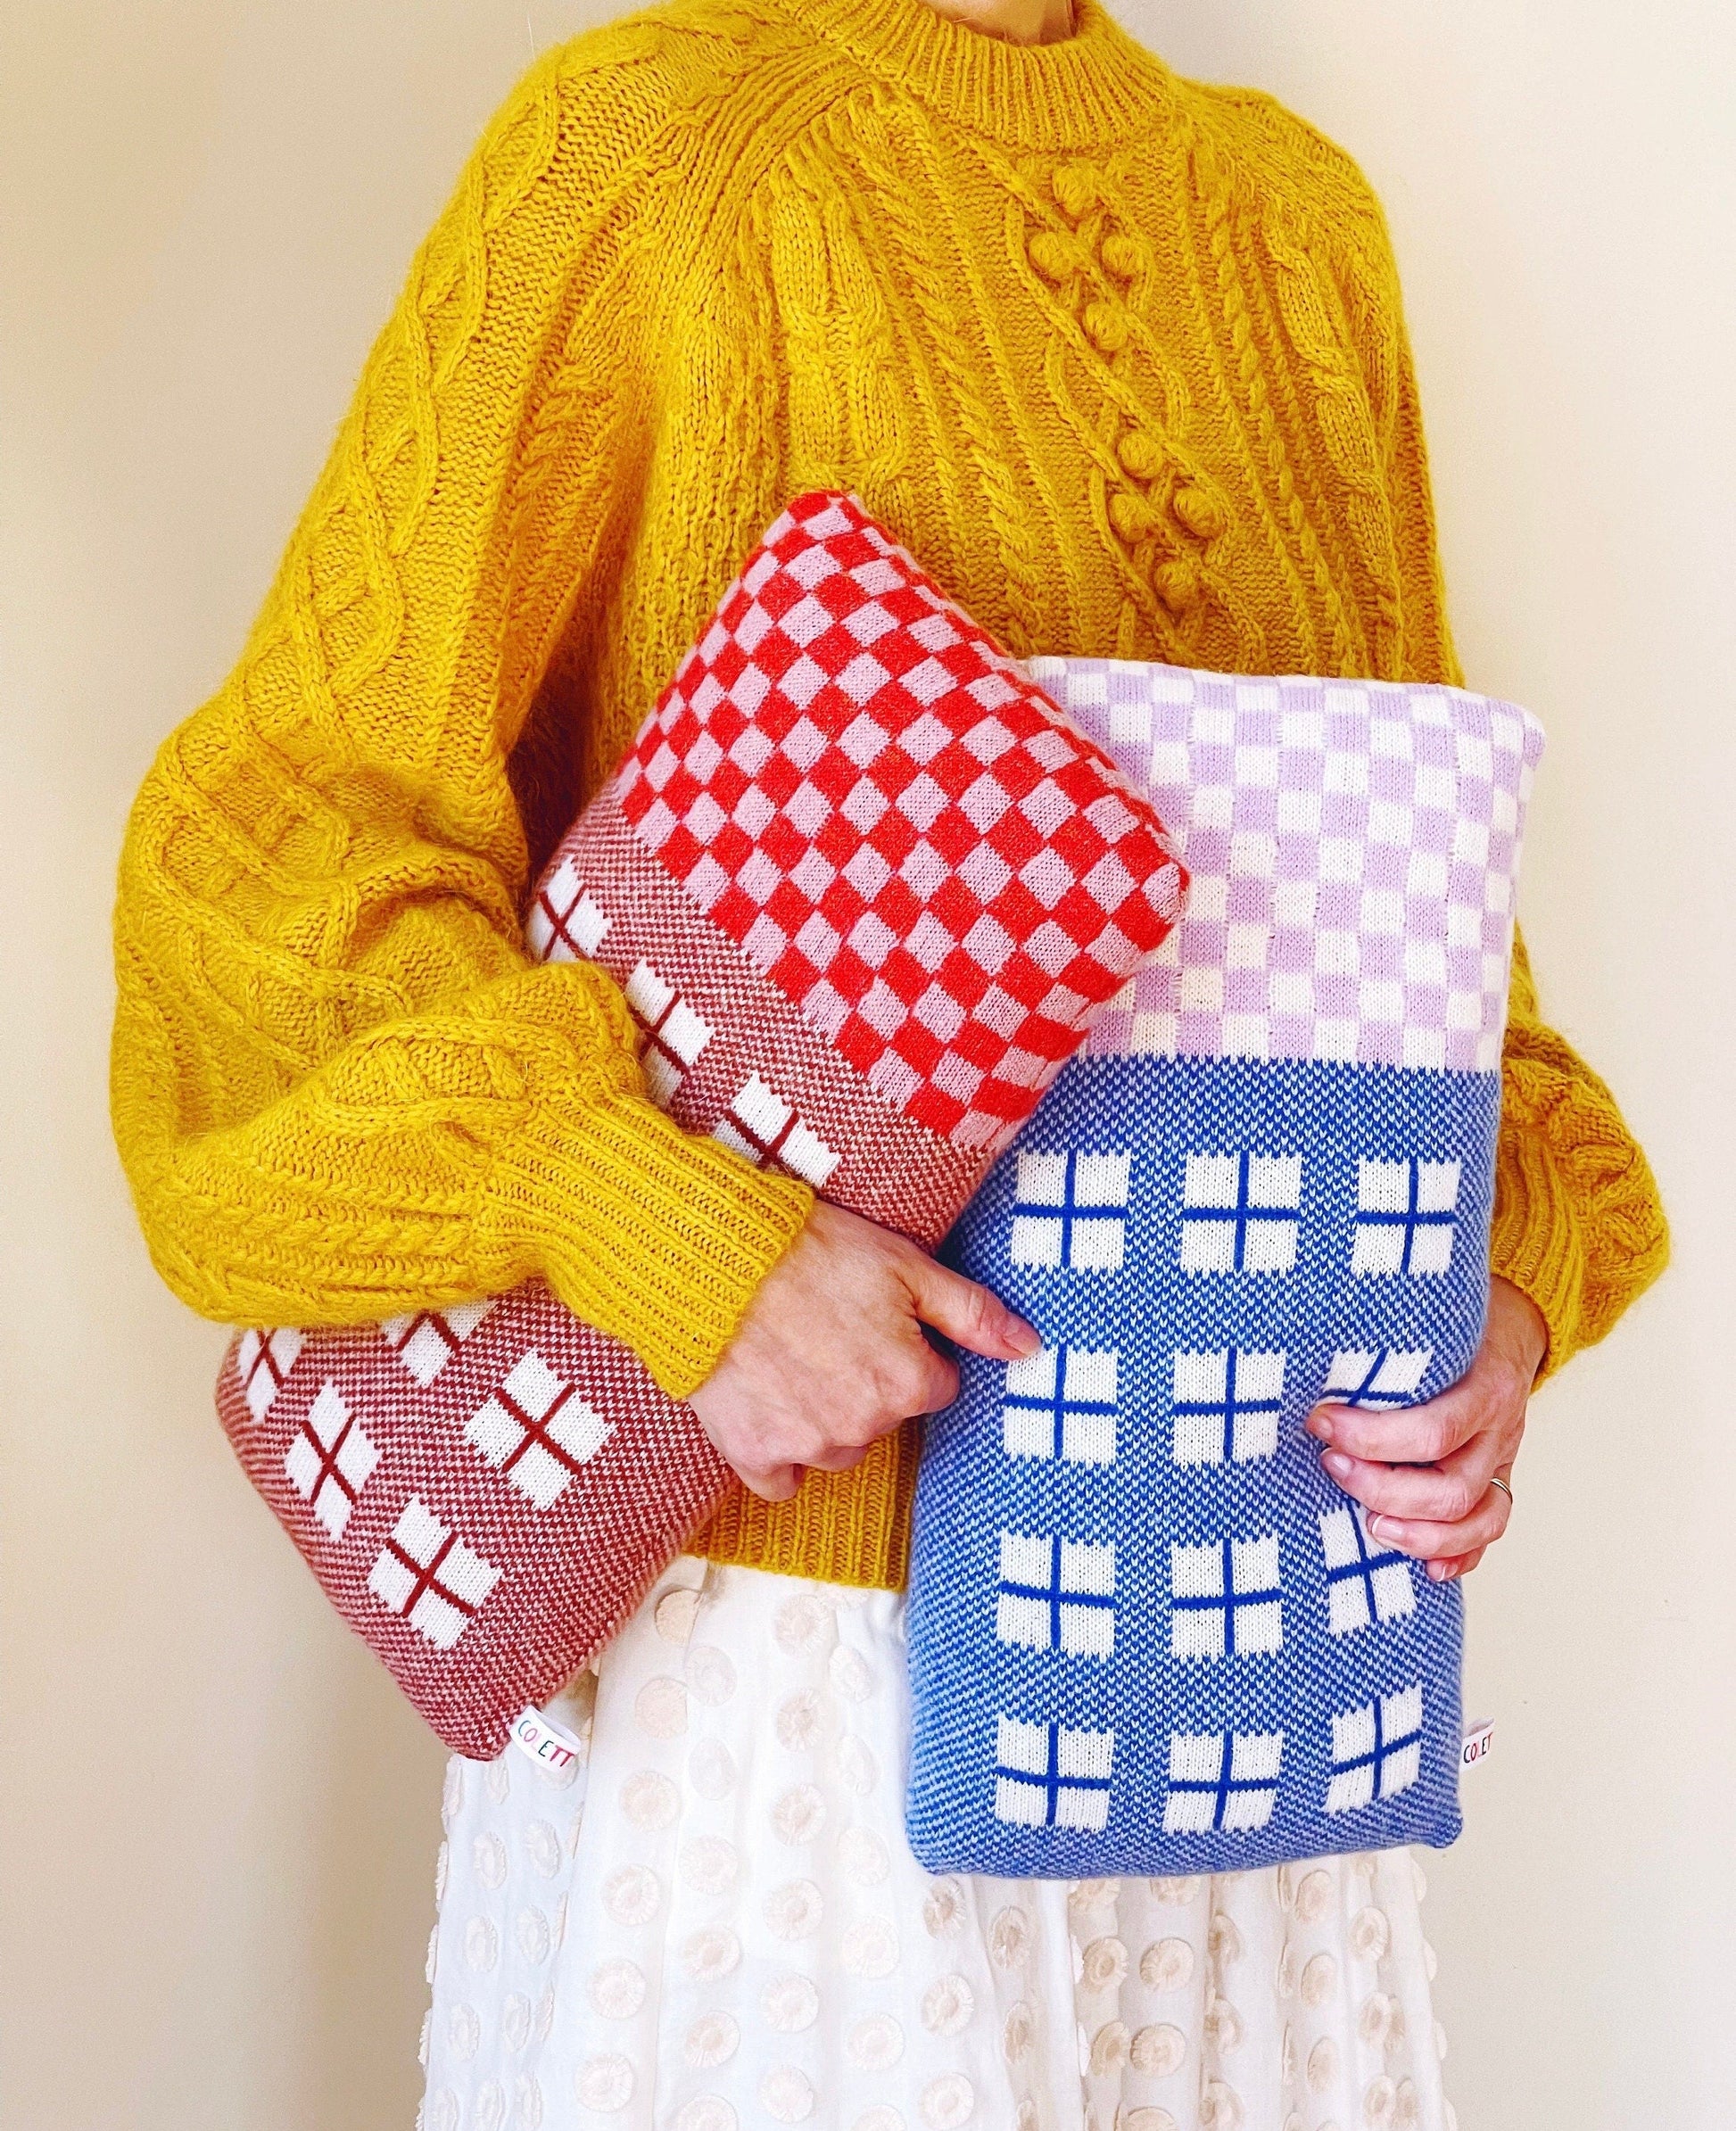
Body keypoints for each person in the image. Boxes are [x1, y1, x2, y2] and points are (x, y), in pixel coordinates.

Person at [110, 0, 1668, 2121]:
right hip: (808, 1677)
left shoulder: (1299, 226)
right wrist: (677, 1234)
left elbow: (1431, 947)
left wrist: (1501, 1282)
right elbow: (273, 852)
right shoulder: (648, 146)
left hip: (1250, 1658)